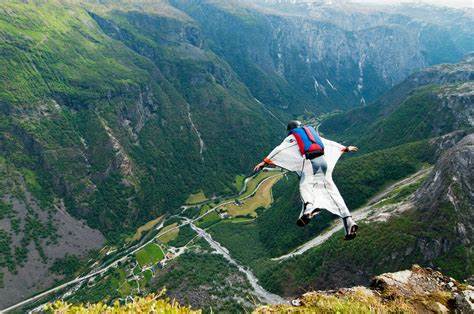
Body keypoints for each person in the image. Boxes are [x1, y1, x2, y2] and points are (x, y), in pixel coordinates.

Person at [253, 120, 359, 240]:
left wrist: (264, 162)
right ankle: (348, 221)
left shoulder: (293, 137)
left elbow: (280, 149)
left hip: (310, 163)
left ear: (290, 130)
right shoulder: (311, 134)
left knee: (305, 186)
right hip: (323, 163)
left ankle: (310, 208)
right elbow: (329, 143)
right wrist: (345, 148)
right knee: (331, 190)